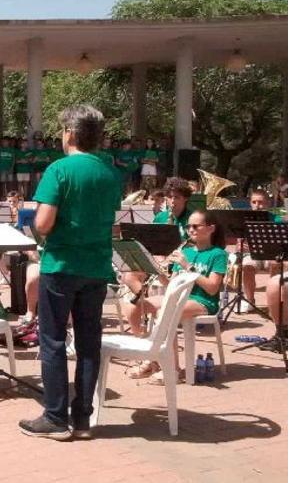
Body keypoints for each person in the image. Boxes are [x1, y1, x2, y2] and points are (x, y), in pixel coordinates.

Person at [19, 105, 121, 441]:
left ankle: (55, 417)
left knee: (53, 341)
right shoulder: (109, 172)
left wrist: (33, 222)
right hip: (97, 267)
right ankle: (82, 420)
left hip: (62, 266)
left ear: (71, 134)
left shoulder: (59, 169)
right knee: (89, 342)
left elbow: (44, 224)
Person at [122, 210, 227, 383]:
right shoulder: (186, 251)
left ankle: (172, 370)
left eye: (195, 226)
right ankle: (149, 356)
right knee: (132, 306)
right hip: (178, 298)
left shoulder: (218, 254)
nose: (190, 230)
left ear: (210, 229)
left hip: (202, 301)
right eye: (188, 227)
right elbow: (172, 284)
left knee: (166, 311)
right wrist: (158, 271)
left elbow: (212, 289)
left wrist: (188, 266)